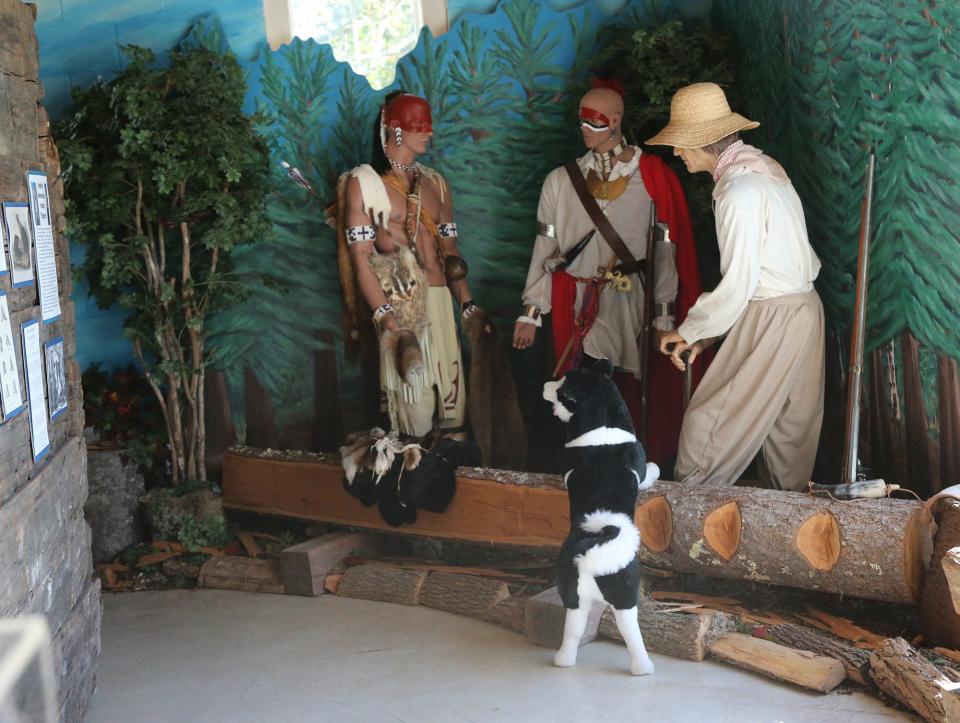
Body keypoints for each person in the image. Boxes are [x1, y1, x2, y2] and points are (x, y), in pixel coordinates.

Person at [512, 82, 703, 465]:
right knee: (578, 389)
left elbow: (666, 253)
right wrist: (531, 311)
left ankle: (626, 465)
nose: (584, 126)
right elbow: (545, 250)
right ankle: (585, 466)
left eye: (594, 120)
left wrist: (664, 316)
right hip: (575, 299)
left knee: (627, 387)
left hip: (631, 298)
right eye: (580, 118)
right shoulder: (560, 181)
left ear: (615, 120)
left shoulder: (651, 177)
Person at [647, 82, 824, 490]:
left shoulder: (739, 191)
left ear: (702, 141)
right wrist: (706, 339)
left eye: (680, 143)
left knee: (707, 430)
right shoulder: (766, 169)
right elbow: (757, 276)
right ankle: (788, 526)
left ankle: (689, 520)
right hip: (801, 309)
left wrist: (689, 330)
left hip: (774, 314)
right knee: (788, 437)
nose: (676, 152)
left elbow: (741, 282)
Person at [337, 91, 480, 439]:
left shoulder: (436, 184)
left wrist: (468, 305)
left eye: (429, 125)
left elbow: (450, 250)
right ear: (396, 130)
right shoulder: (364, 182)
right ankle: (412, 485)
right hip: (402, 309)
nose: (429, 132)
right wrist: (389, 321)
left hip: (441, 303)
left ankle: (448, 481)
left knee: (455, 412)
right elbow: (362, 259)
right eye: (420, 125)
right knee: (413, 417)